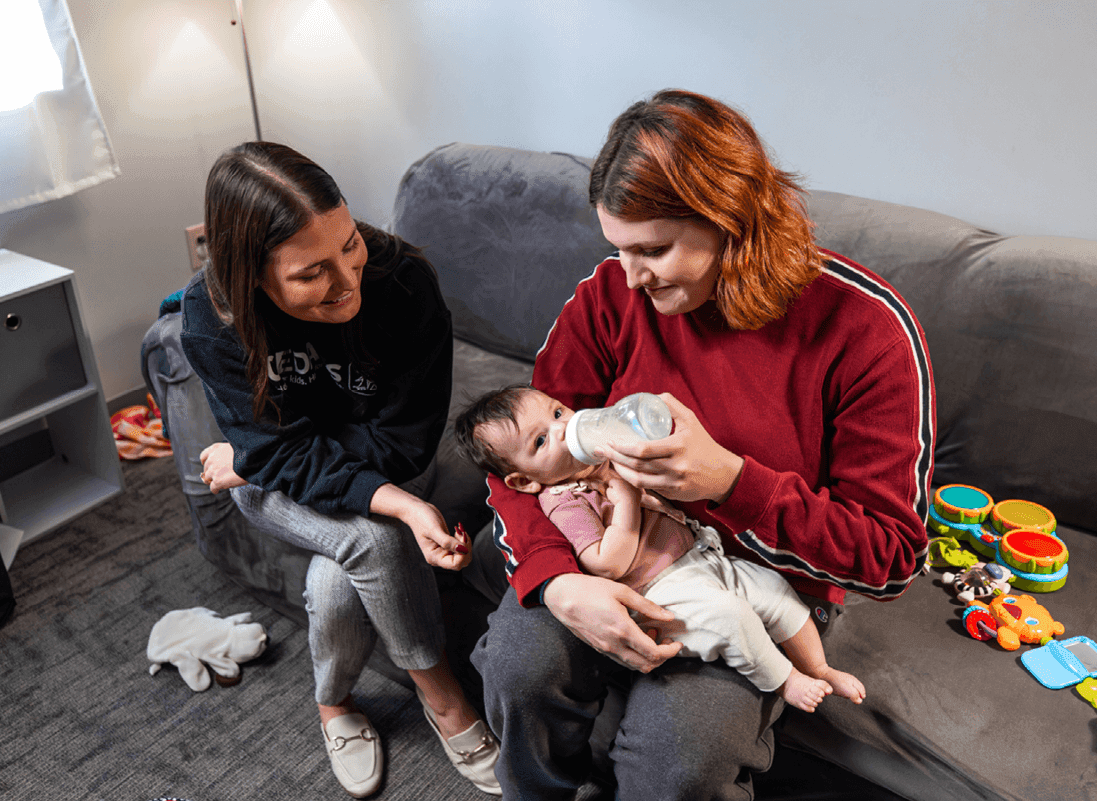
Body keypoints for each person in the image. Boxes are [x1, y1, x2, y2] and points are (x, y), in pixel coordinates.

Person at [470, 89, 934, 800]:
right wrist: (557, 579)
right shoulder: (611, 294)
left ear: (734, 223)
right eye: (617, 249)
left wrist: (729, 481)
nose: (628, 276)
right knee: (516, 665)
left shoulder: (864, 331)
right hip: (604, 548)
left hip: (753, 577)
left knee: (678, 759)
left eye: (652, 249)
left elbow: (889, 557)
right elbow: (523, 456)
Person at [180, 141, 499, 798]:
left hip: (293, 465)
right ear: (251, 276)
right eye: (310, 272)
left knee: (344, 571)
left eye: (349, 243)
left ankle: (333, 703)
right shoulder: (212, 317)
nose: (347, 278)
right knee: (377, 537)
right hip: (273, 484)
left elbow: (404, 446)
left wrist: (254, 454)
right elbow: (280, 455)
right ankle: (443, 696)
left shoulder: (403, 282)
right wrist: (272, 456)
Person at [455, 384, 866, 713]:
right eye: (542, 441)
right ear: (525, 482)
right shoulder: (566, 500)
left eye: (558, 413)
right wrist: (627, 497)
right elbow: (607, 563)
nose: (563, 429)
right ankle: (785, 680)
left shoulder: (603, 458)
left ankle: (819, 667)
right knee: (730, 616)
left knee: (773, 589)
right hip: (658, 589)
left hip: (699, 556)